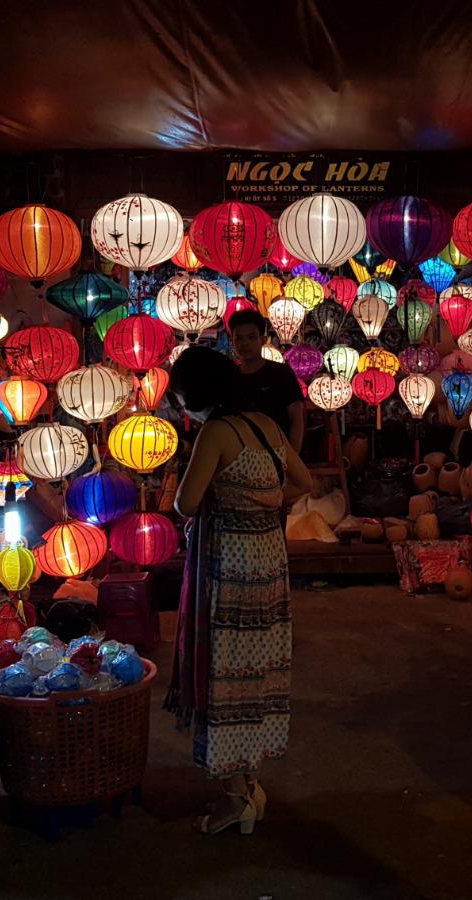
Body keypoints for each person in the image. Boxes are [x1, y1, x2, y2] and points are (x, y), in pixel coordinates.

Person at [164, 346, 314, 835]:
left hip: (230, 565)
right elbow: (303, 481)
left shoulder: (216, 432)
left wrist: (233, 505)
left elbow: (187, 503)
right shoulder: (266, 426)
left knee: (227, 674)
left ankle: (234, 800)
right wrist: (264, 503)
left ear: (196, 393)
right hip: (269, 562)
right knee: (258, 671)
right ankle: (251, 784)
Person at [227, 309, 306, 451]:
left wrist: (292, 459)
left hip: (277, 450)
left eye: (251, 337)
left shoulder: (280, 373)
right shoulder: (230, 376)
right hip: (241, 456)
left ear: (263, 340)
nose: (244, 343)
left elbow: (296, 420)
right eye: (239, 338)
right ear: (232, 341)